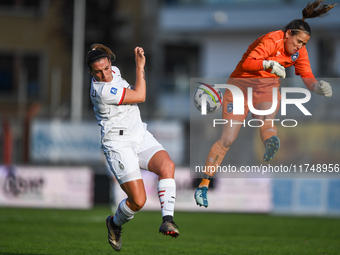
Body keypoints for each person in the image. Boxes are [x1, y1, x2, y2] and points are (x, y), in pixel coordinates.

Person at [194, 0, 336, 208]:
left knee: (266, 120)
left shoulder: (298, 52)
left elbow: (306, 75)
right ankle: (203, 185)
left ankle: (270, 142)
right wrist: (269, 64)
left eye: (304, 44)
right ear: (288, 34)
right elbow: (248, 63)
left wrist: (317, 87)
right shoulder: (271, 40)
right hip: (240, 88)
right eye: (299, 42)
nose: (300, 47)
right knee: (227, 140)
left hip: (266, 89)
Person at [86, 44, 179, 251]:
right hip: (118, 145)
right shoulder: (102, 91)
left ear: (111, 64)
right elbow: (140, 96)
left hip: (139, 136)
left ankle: (168, 220)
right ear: (91, 73)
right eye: (98, 71)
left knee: (167, 166)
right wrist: (140, 66)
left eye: (106, 68)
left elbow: (104, 57)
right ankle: (114, 223)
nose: (104, 74)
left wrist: (98, 50)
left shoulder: (114, 72)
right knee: (138, 201)